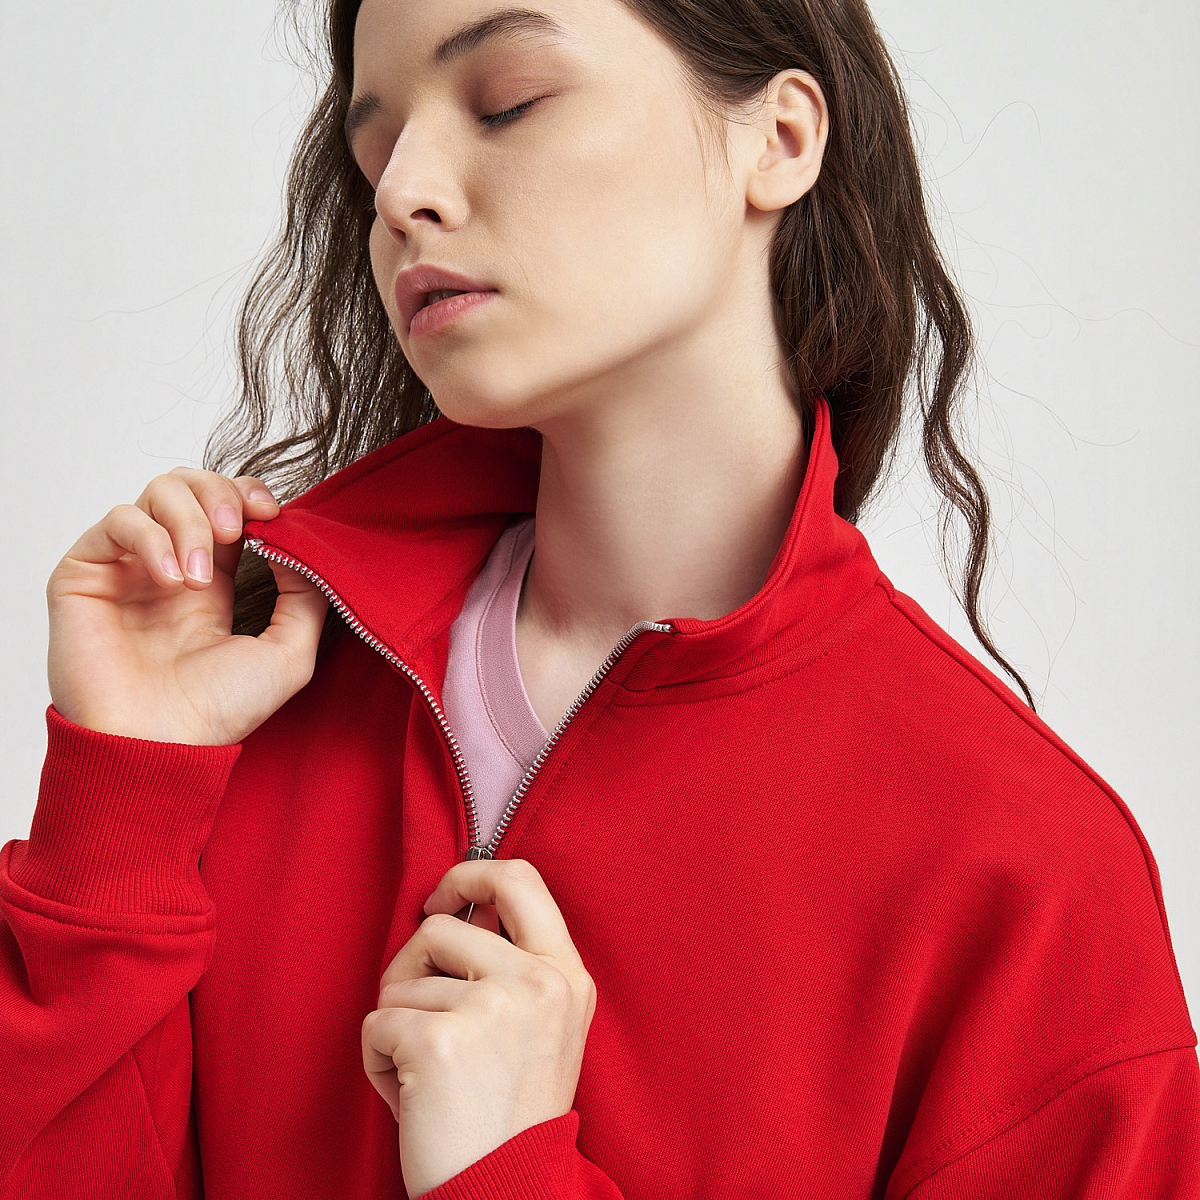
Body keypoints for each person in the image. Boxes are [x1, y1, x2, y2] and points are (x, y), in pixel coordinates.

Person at [2, 0, 1197, 1196]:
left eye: (508, 102)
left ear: (779, 138)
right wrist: (121, 803)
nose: (402, 193)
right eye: (375, 153)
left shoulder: (1021, 877)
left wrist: (505, 1170)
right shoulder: (244, 700)